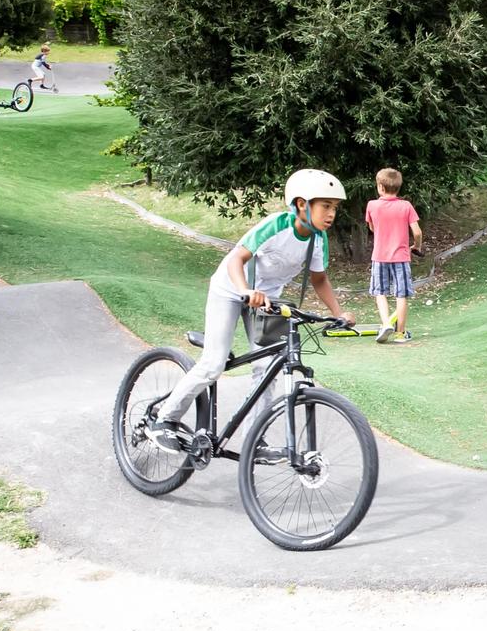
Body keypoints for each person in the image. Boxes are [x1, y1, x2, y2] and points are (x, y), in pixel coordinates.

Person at [150, 170, 353, 441]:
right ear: (302, 204)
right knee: (213, 364)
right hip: (231, 289)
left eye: (335, 208)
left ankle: (254, 439)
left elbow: (319, 279)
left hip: (266, 302)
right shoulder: (276, 226)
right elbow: (237, 258)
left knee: (267, 368)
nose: (331, 214)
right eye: (325, 206)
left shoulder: (318, 239)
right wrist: (245, 289)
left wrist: (338, 314)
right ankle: (165, 419)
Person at [364, 168, 424, 345]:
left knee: (380, 292)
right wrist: (416, 246)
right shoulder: (406, 206)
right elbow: (417, 232)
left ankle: (385, 324)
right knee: (401, 295)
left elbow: (372, 228)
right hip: (401, 257)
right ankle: (400, 334)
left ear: (380, 187)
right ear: (398, 187)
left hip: (380, 256)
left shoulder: (372, 205)